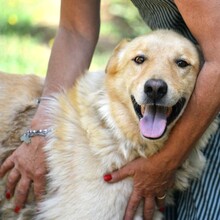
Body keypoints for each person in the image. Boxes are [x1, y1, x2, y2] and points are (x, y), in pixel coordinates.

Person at [0, 0, 219, 219]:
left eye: (180, 64)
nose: (155, 83)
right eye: (139, 59)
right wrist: (42, 126)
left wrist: (164, 164)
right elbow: (75, 30)